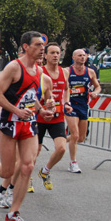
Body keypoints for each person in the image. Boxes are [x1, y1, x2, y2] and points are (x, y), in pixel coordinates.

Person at [0, 31, 53, 221]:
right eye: (37, 45)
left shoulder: (38, 70)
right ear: (26, 47)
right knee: (8, 171)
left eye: (43, 45)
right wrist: (17, 110)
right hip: (10, 121)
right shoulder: (14, 67)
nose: (42, 48)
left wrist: (41, 110)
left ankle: (13, 213)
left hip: (29, 123)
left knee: (27, 166)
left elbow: (31, 94)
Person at [37, 42, 72, 189]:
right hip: (39, 116)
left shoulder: (64, 72)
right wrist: (42, 105)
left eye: (58, 53)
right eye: (52, 53)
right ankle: (27, 178)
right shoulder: (40, 71)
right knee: (34, 151)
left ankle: (45, 171)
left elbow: (66, 89)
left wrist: (66, 102)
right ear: (45, 55)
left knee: (62, 148)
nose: (56, 55)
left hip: (57, 116)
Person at [65, 49, 101, 173]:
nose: (82, 57)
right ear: (73, 57)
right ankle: (73, 163)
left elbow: (97, 86)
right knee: (75, 135)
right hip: (70, 106)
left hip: (83, 106)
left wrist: (95, 93)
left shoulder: (90, 72)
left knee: (81, 138)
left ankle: (63, 139)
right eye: (79, 55)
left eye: (84, 56)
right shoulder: (67, 71)